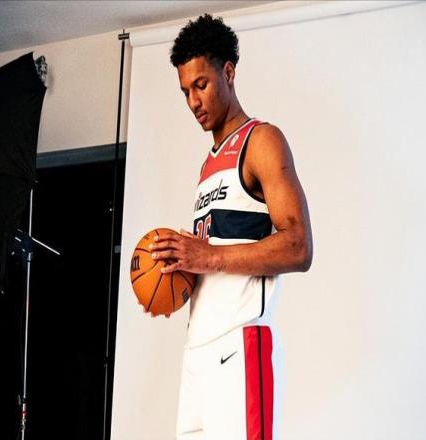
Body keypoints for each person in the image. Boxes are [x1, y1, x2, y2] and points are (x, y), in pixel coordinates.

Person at [149, 14, 313, 439]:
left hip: (239, 344)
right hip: (197, 352)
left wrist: (207, 256)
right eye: (185, 91)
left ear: (228, 72)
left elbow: (298, 246)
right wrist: (173, 274)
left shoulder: (262, 141)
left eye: (201, 85)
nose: (193, 101)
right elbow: (212, 257)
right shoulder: (207, 166)